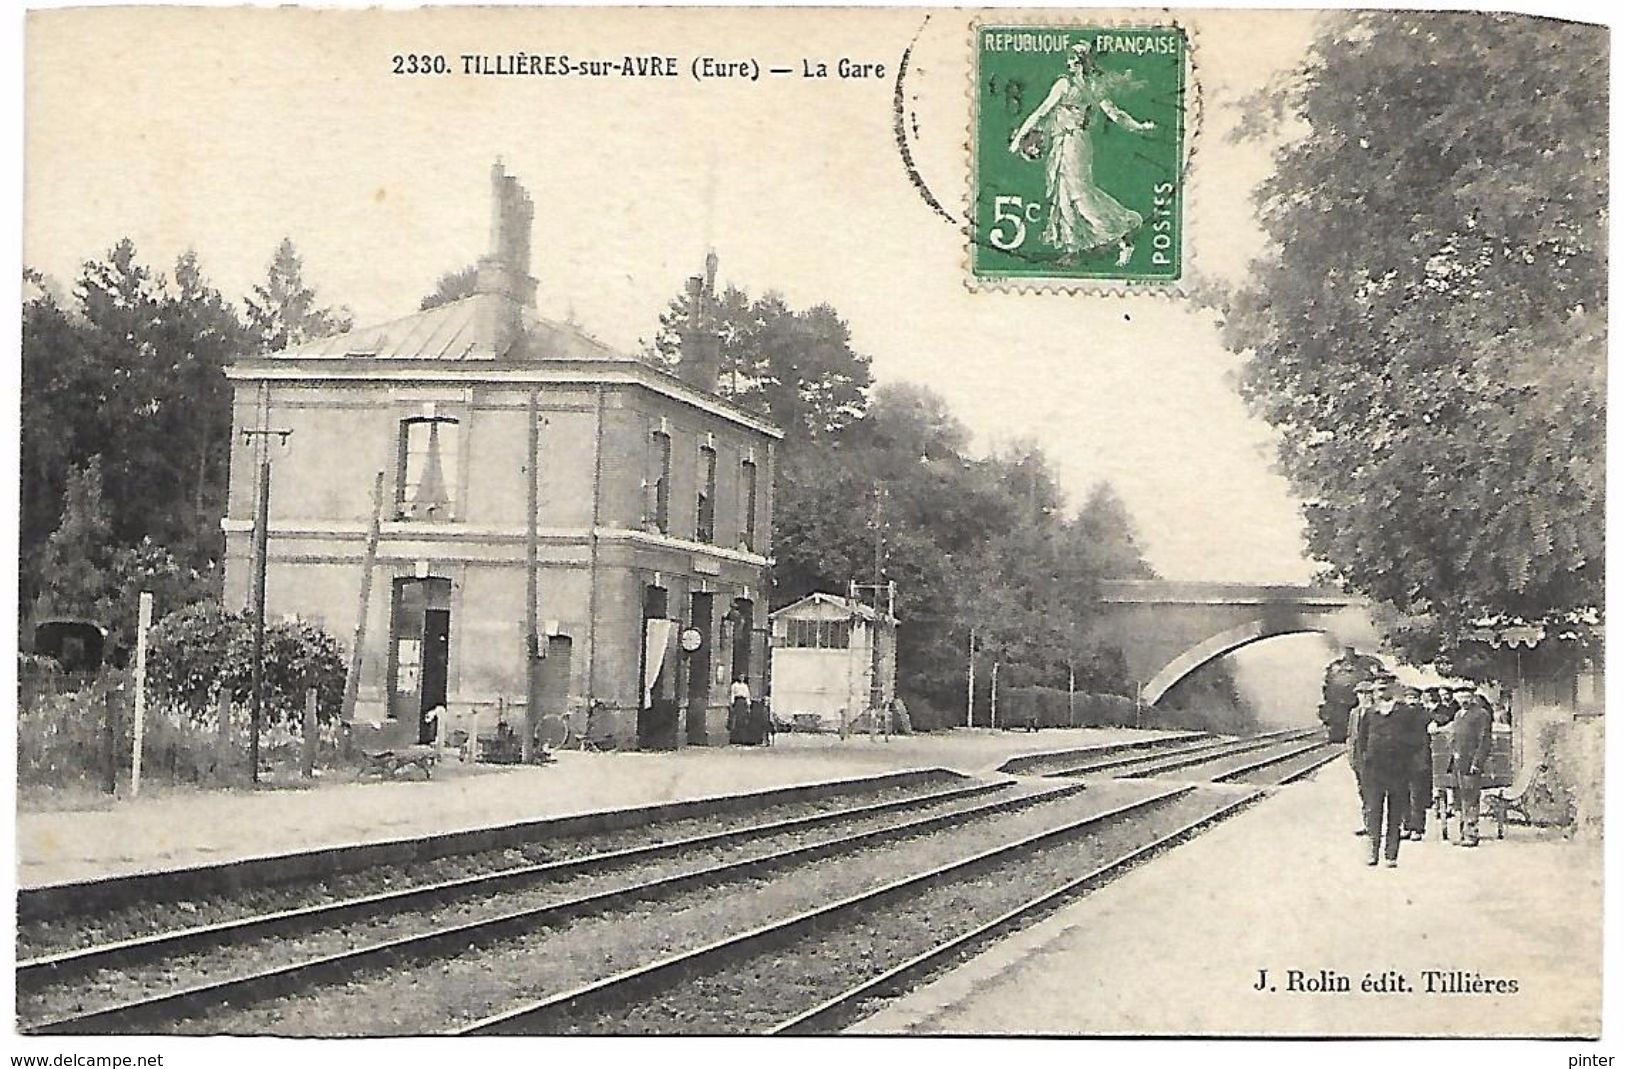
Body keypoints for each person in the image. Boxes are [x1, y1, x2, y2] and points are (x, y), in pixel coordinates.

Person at [1007, 41, 1158, 266]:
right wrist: (1020, 138)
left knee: (1080, 195)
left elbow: (1115, 114)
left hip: (1075, 144)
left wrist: (1139, 127)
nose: (1072, 64)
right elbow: (1042, 112)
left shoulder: (1093, 87)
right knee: (1065, 196)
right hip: (1062, 142)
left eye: (1076, 61)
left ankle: (1121, 237)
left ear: (1084, 63)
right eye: (1070, 60)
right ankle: (1075, 250)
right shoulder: (1064, 84)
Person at [1355, 678, 1412, 867]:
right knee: (1373, 811)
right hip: (1374, 771)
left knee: (1395, 813)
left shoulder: (1404, 712)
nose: (1380, 693)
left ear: (1393, 690)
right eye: (1377, 689)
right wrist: (1364, 765)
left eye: (1384, 688)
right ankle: (1372, 852)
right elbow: (1361, 741)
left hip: (1398, 770)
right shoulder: (1370, 714)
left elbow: (1415, 739)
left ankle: (1391, 855)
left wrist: (1408, 763)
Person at [1450, 690, 1494, 847]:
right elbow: (1455, 737)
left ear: (1472, 696)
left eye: (1466, 696)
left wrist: (1477, 762)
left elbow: (1484, 740)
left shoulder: (1481, 714)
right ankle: (1463, 833)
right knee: (1460, 798)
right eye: (1460, 696)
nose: (1463, 699)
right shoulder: (1458, 715)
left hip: (1471, 762)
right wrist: (1454, 753)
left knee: (1471, 797)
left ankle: (1472, 834)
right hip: (1459, 763)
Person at [1397, 687, 1433, 840]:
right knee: (1402, 795)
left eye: (1414, 698)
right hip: (1401, 761)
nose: (1411, 701)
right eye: (1408, 698)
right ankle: (1406, 826)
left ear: (1419, 700)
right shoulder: (1399, 716)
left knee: (1417, 796)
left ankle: (1417, 828)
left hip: (1418, 760)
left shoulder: (1425, 715)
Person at [1348, 679, 1378, 835]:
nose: (1363, 697)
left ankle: (1375, 825)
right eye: (1360, 693)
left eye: (1366, 693)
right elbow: (1351, 736)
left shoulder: (1376, 711)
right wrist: (1351, 757)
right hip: (1358, 759)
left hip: (1374, 759)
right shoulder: (1354, 713)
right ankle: (1367, 824)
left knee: (1375, 792)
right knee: (1363, 792)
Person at [728, 677, 751, 744]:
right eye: (740, 677)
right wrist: (732, 703)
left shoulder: (745, 686)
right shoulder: (735, 685)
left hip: (743, 703)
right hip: (737, 702)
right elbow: (732, 694)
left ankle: (742, 739)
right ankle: (735, 739)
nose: (741, 678)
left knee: (743, 721)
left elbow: (747, 695)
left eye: (743, 677)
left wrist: (748, 705)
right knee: (736, 720)